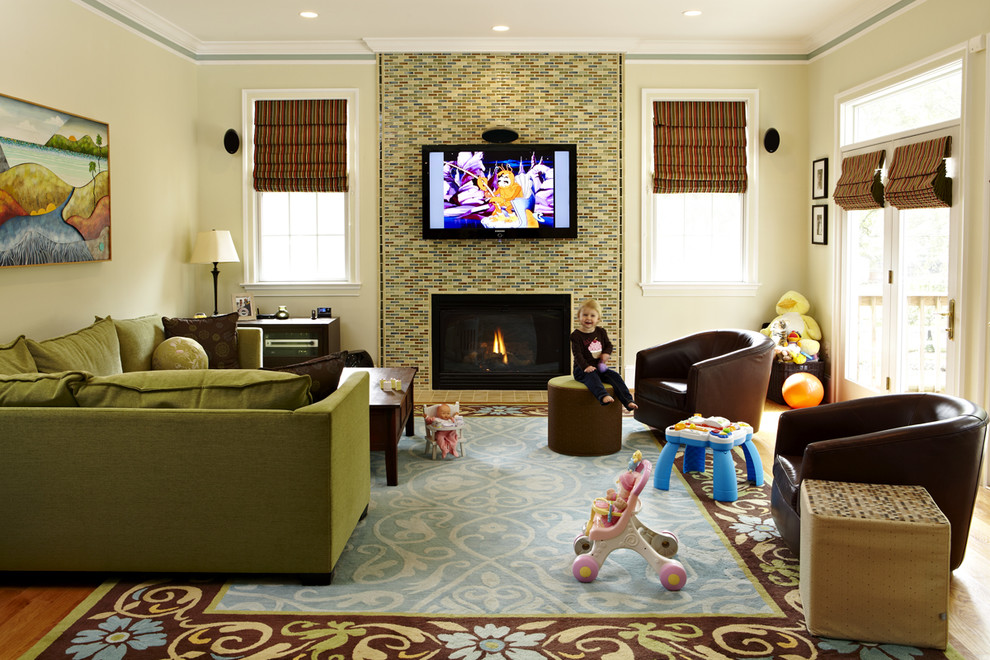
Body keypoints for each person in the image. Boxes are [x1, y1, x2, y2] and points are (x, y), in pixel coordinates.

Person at [570, 298, 638, 410]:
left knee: (615, 376)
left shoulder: (601, 332)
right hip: (582, 370)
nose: (588, 318)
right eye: (585, 315)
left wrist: (606, 353)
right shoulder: (576, 335)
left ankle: (628, 400)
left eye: (592, 316)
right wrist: (585, 367)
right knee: (592, 377)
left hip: (599, 368)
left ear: (598, 319)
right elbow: (577, 355)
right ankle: (603, 395)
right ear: (579, 317)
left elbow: (608, 345)